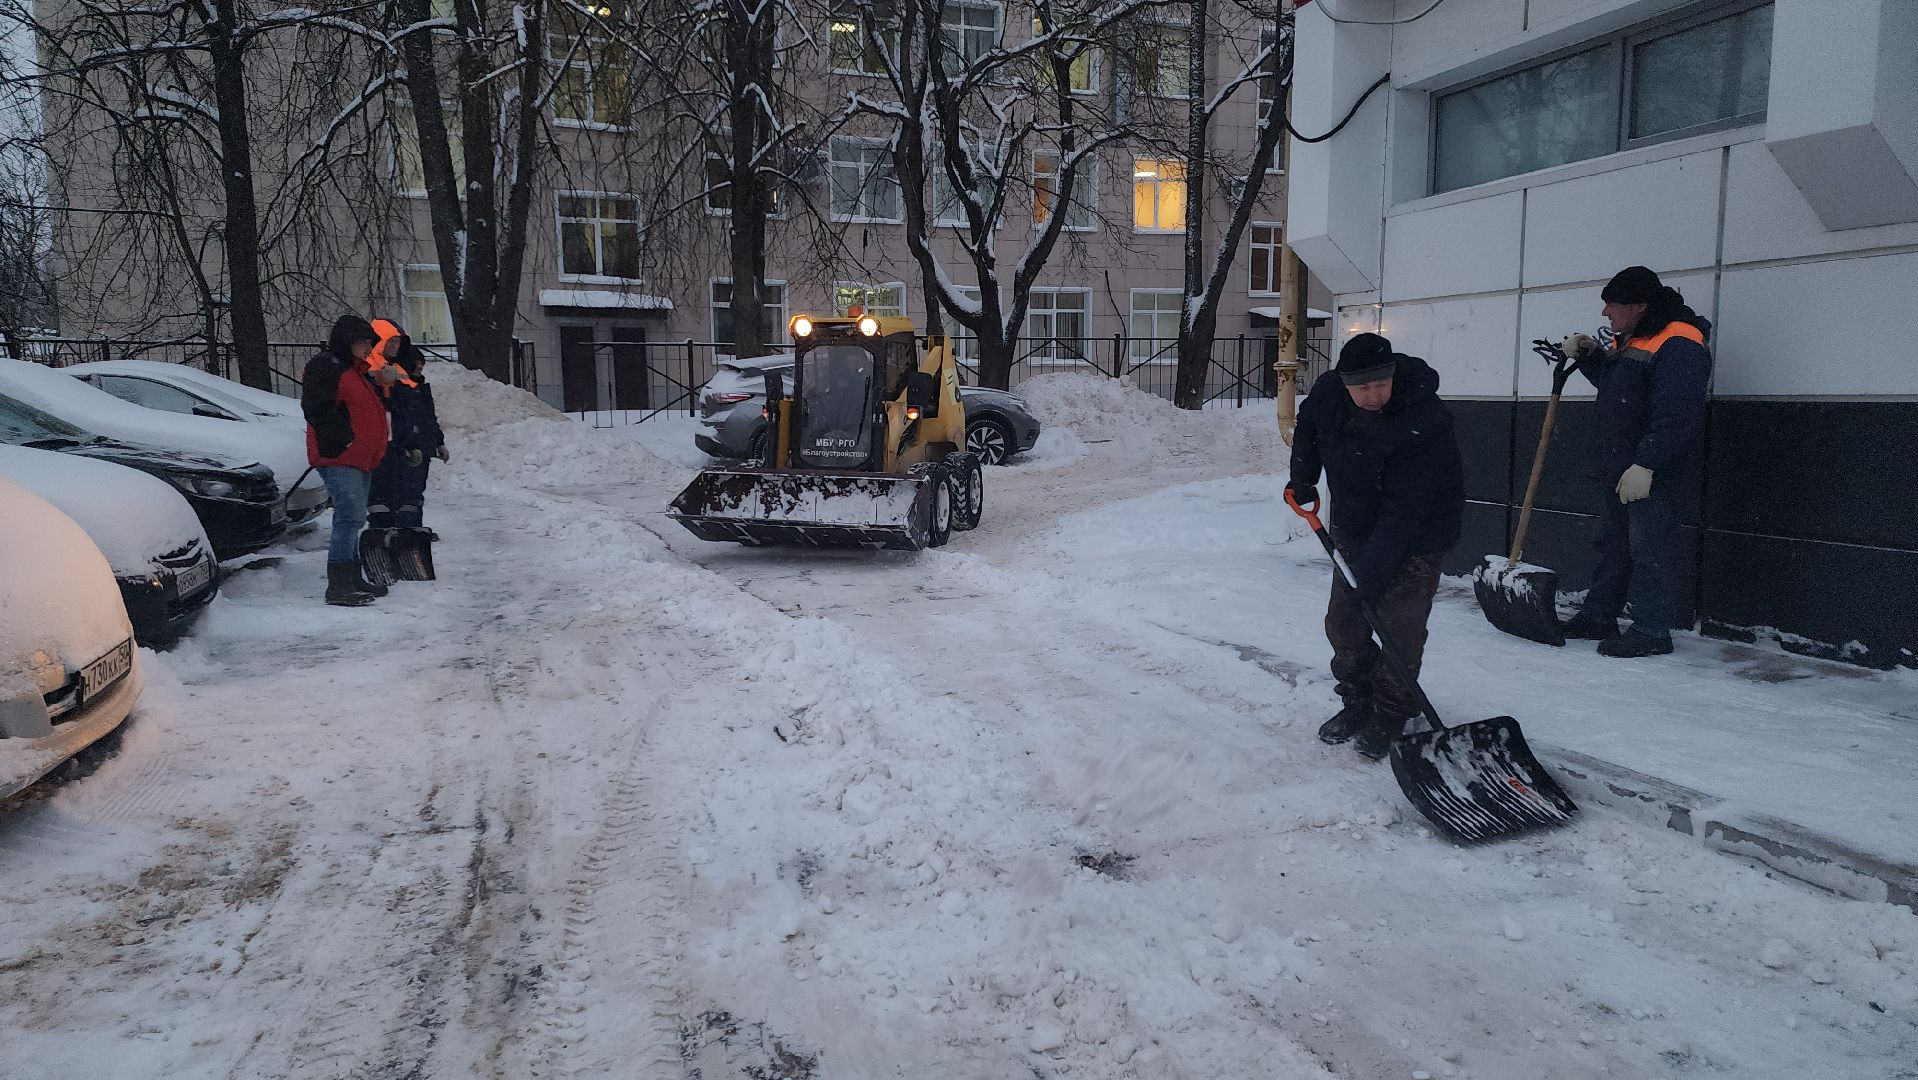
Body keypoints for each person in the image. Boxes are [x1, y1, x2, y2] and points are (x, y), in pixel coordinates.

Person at [1286, 333, 1465, 760]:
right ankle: (1358, 699)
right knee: (1344, 621)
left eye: (1380, 385)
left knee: (1399, 627)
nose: (1372, 396)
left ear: (1392, 375)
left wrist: (1371, 573)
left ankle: (1391, 711)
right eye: (1361, 388)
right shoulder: (1330, 393)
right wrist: (1303, 475)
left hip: (1420, 532)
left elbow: (1407, 508)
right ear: (1344, 383)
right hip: (1354, 523)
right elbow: (1309, 427)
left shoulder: (1425, 416)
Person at [1558, 266, 1713, 658]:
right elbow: (1620, 390)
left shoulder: (1680, 342)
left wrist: (1648, 464)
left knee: (1650, 548)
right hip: (1619, 463)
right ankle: (1599, 615)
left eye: (1612, 305)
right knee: (1613, 544)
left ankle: (1652, 629)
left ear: (1640, 306)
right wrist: (1592, 357)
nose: (1605, 313)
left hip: (1650, 469)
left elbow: (1678, 413)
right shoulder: (1633, 336)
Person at [302, 315, 400, 606]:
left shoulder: (355, 371)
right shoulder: (327, 367)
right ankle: (339, 584)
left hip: (357, 458)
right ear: (346, 342)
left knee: (353, 518)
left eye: (369, 342)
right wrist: (343, 440)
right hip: (340, 457)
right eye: (361, 342)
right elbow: (317, 408)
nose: (366, 347)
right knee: (349, 517)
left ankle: (352, 576)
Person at [368, 333, 449, 533]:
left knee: (414, 492)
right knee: (403, 490)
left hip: (422, 445)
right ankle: (398, 528)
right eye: (417, 363)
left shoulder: (420, 388)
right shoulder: (399, 389)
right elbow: (401, 418)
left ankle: (412, 528)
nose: (420, 367)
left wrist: (438, 442)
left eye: (422, 363)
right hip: (406, 446)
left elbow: (430, 418)